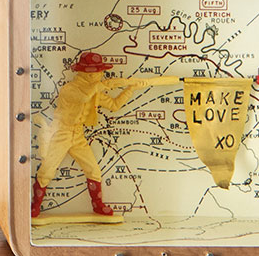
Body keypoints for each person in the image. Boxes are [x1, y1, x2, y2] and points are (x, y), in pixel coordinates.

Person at [32, 52, 176, 218]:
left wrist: (130, 88)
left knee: (93, 170)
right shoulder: (70, 89)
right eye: (97, 72)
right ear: (87, 73)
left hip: (78, 134)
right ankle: (34, 206)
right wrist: (106, 85)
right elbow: (84, 97)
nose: (100, 75)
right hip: (60, 132)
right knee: (47, 170)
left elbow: (114, 105)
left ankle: (98, 205)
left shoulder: (95, 92)